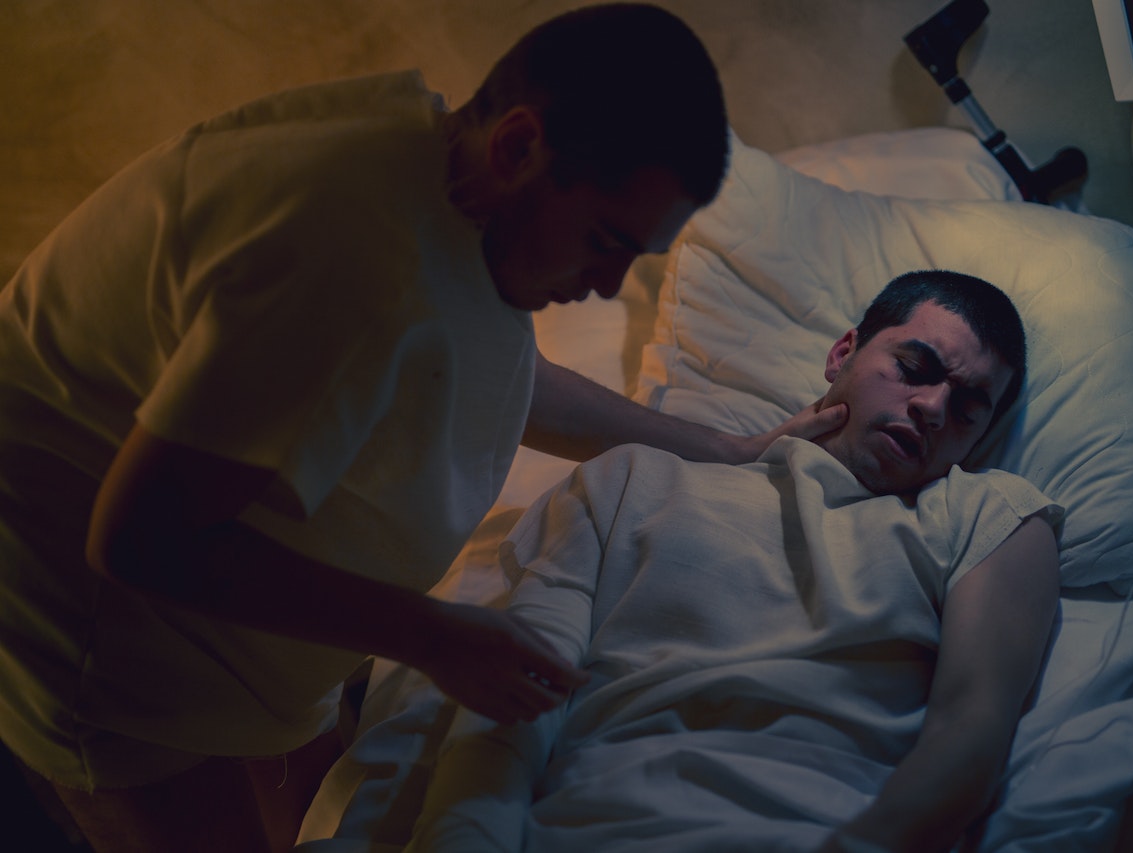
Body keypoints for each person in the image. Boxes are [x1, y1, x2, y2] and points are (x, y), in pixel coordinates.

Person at [0, 5, 844, 852]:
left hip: (246, 620)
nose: (605, 281)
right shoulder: (339, 249)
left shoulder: (447, 179)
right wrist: (432, 635)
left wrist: (729, 448)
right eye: (603, 239)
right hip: (109, 634)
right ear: (519, 145)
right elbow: (142, 539)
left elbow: (503, 372)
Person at [414, 271, 1064, 853]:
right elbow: (513, 704)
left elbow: (971, 728)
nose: (933, 408)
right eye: (914, 367)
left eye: (967, 409)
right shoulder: (629, 480)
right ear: (843, 352)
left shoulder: (990, 516)